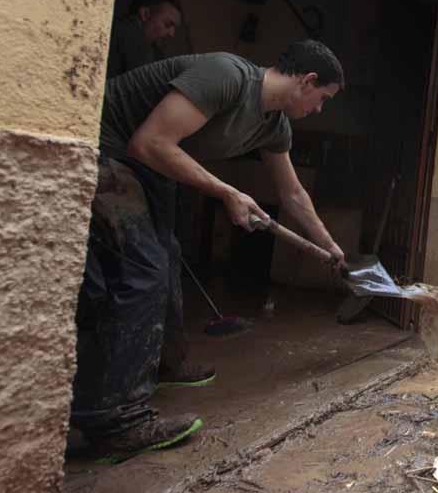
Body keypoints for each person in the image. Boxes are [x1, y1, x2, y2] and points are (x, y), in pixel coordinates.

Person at [72, 40, 347, 460]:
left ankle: (166, 364)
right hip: (108, 148)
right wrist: (225, 192)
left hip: (149, 169)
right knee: (142, 271)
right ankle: (114, 419)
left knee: (165, 260)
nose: (319, 109)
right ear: (307, 81)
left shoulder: (275, 126)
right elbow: (149, 143)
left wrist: (329, 246)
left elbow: (292, 194)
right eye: (322, 99)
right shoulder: (227, 76)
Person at [107, 0, 184, 79]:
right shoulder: (127, 34)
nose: (172, 34)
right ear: (145, 14)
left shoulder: (152, 50)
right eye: (168, 24)